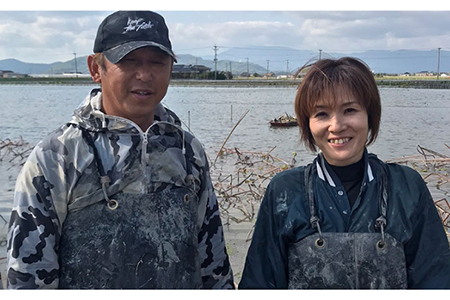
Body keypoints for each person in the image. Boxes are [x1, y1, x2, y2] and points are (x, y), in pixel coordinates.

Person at [6, 10, 234, 289]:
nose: (145, 74)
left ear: (171, 69)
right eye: (128, 61)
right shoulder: (58, 155)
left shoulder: (187, 150)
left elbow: (213, 260)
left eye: (158, 62)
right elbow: (28, 275)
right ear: (95, 68)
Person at [238, 57, 450, 289]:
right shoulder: (285, 191)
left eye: (349, 110)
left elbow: (436, 280)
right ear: (306, 123)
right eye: (321, 114)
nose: (336, 126)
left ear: (370, 116)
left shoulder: (407, 187)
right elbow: (259, 284)